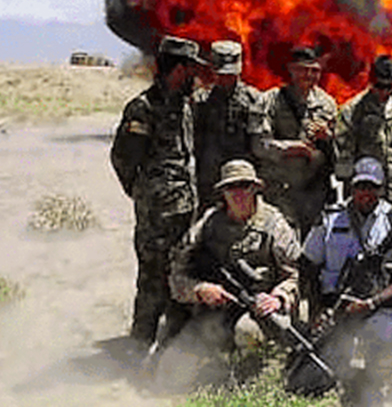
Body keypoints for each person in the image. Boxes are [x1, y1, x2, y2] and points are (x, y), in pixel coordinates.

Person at [303, 157, 392, 407]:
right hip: (335, 311)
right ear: (351, 187)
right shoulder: (330, 218)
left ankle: (372, 382)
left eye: (373, 187)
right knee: (309, 382)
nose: (366, 193)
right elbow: (308, 265)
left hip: (380, 309)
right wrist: (316, 309)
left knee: (385, 336)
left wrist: (371, 303)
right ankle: (337, 378)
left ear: (382, 189)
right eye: (361, 186)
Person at [110, 35, 205, 350]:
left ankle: (172, 348)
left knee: (180, 278)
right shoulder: (143, 108)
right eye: (192, 69)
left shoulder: (184, 105)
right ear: (178, 69)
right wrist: (145, 194)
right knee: (152, 283)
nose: (196, 75)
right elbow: (123, 159)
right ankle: (139, 347)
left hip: (184, 212)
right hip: (157, 216)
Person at [166, 159, 302, 367]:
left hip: (259, 310)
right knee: (169, 369)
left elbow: (297, 275)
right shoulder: (208, 224)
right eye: (231, 187)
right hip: (215, 311)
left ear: (255, 188)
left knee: (247, 332)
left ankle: (256, 369)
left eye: (244, 186)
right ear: (222, 192)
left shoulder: (274, 225)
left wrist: (278, 297)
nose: (238, 193)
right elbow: (176, 274)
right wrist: (200, 290)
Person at [259, 46, 338, 236]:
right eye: (303, 70)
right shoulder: (271, 101)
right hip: (280, 191)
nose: (309, 76)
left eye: (314, 71)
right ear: (291, 69)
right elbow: (260, 145)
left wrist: (327, 137)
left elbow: (340, 153)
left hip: (314, 192)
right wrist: (289, 148)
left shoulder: (327, 104)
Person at [334, 55, 392, 211]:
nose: (384, 92)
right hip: (363, 201)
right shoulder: (353, 111)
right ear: (370, 81)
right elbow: (342, 160)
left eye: (390, 87)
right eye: (379, 86)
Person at [193, 40, 268, 210]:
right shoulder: (200, 101)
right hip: (209, 183)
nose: (226, 79)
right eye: (221, 74)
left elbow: (260, 145)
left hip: (243, 183)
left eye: (230, 74)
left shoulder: (254, 100)